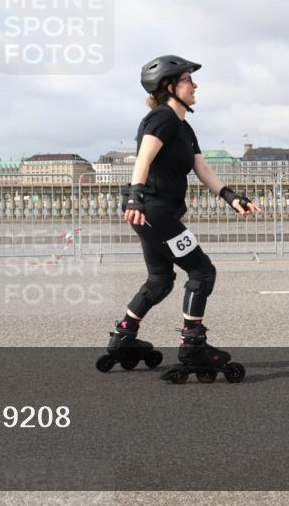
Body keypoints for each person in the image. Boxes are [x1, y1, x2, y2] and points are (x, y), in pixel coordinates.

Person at [102, 55, 261, 379]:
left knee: (160, 280)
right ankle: (192, 345)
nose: (195, 85)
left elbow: (202, 168)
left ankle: (124, 335)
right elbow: (144, 158)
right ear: (170, 87)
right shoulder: (161, 117)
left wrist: (231, 196)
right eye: (188, 80)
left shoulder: (184, 127)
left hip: (156, 213)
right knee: (202, 271)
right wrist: (135, 196)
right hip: (153, 211)